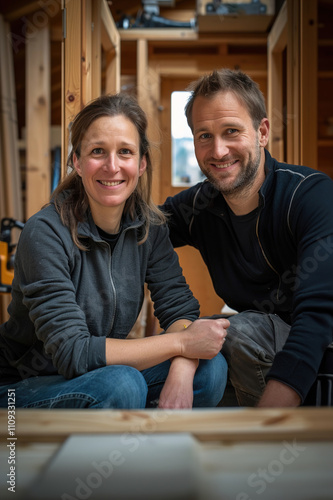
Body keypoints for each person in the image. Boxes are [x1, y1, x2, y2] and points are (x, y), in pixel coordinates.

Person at [0, 93, 229, 410]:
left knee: (209, 371)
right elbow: (72, 353)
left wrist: (182, 365)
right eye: (98, 152)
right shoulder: (45, 232)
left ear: (142, 162)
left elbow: (178, 311)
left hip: (98, 376)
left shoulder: (150, 227)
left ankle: (140, 444)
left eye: (125, 152)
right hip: (21, 387)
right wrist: (182, 343)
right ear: (77, 162)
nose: (112, 166)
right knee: (123, 383)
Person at [162, 68, 333, 408]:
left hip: (321, 346)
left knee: (236, 332)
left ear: (262, 132)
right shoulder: (199, 206)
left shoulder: (310, 195)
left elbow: (316, 317)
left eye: (231, 131)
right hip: (260, 346)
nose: (219, 150)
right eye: (204, 136)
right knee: (203, 348)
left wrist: (268, 429)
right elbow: (138, 229)